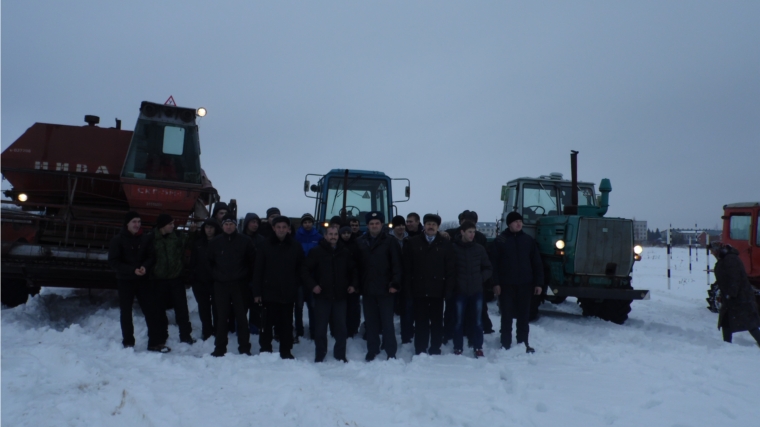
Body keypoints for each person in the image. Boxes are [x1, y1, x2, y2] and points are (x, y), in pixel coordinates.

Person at [108, 211, 168, 352]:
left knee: (151, 311)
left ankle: (154, 343)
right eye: (134, 222)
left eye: (139, 222)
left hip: (143, 280)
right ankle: (128, 342)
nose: (137, 224)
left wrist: (144, 267)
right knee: (126, 312)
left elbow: (151, 257)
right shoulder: (117, 240)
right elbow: (113, 262)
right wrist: (131, 270)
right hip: (125, 281)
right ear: (127, 223)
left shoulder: (145, 239)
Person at [252, 216, 306, 359]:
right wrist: (257, 292)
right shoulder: (264, 245)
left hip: (287, 293)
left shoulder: (295, 246)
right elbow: (258, 270)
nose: (281, 230)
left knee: (286, 325)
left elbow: (301, 269)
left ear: (288, 229)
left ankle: (286, 351)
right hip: (268, 292)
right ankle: (265, 350)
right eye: (278, 227)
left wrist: (295, 284)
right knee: (266, 324)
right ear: (273, 228)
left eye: (284, 227)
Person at [403, 213, 456, 355]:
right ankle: (420, 348)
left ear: (438, 227)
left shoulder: (445, 244)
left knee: (437, 322)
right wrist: (408, 288)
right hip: (418, 289)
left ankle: (435, 347)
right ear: (424, 226)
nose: (431, 227)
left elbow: (450, 270)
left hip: (437, 290)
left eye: (433, 224)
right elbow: (407, 269)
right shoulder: (413, 243)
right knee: (420, 321)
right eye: (428, 224)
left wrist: (448, 290)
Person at [491, 212, 543, 353]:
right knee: (507, 315)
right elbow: (493, 265)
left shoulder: (528, 241)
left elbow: (537, 263)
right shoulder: (500, 241)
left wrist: (538, 283)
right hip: (506, 285)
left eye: (520, 221)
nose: (519, 224)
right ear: (509, 224)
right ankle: (505, 344)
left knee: (523, 316)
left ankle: (523, 343)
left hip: (525, 285)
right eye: (515, 221)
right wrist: (495, 283)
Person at [304, 225, 358, 362]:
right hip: (322, 296)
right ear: (325, 236)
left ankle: (340, 354)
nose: (333, 237)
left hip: (340, 296)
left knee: (341, 328)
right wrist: (313, 286)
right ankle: (320, 354)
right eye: (330, 234)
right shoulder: (316, 252)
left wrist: (353, 285)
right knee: (321, 328)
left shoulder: (344, 252)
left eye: (335, 234)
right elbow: (304, 272)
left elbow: (354, 270)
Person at [207, 213, 257, 357]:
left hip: (240, 285)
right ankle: (220, 348)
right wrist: (217, 276)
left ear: (236, 225)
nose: (228, 227)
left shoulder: (245, 241)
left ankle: (245, 348)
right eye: (226, 224)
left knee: (241, 318)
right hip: (221, 285)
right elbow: (209, 262)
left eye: (231, 224)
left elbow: (252, 262)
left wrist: (246, 278)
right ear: (222, 226)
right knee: (222, 318)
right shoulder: (215, 242)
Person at [356, 211, 403, 361]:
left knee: (387, 322)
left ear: (382, 225)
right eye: (371, 223)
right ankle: (373, 349)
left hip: (386, 289)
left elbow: (397, 265)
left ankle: (391, 351)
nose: (374, 226)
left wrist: (395, 283)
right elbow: (357, 267)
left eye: (377, 223)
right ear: (367, 225)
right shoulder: (361, 242)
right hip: (368, 288)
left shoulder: (390, 242)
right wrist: (357, 285)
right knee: (370, 322)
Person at [143, 214, 195, 345]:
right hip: (158, 281)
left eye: (173, 223)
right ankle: (162, 336)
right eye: (170, 224)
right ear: (162, 226)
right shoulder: (151, 238)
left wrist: (194, 233)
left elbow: (192, 244)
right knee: (159, 311)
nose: (173, 226)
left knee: (182, 310)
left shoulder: (178, 236)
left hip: (176, 279)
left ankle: (185, 336)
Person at [451, 221, 493, 357]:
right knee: (458, 321)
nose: (472, 234)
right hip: (460, 291)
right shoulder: (453, 248)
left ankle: (478, 346)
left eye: (474, 232)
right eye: (469, 231)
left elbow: (488, 267)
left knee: (478, 321)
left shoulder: (479, 249)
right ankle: (458, 347)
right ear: (462, 232)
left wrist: (481, 278)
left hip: (476, 291)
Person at [711, 242, 760, 347]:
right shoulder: (725, 258)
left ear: (717, 250)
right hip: (733, 298)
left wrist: (730, 294)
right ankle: (727, 345)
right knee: (726, 321)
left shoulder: (730, 260)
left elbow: (734, 278)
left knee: (750, 323)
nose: (712, 253)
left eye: (712, 251)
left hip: (740, 298)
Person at [190, 218, 222, 341]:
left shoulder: (220, 242)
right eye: (207, 227)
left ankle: (218, 330)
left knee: (217, 308)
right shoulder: (198, 243)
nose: (209, 230)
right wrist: (193, 276)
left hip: (216, 280)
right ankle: (207, 331)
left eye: (211, 227)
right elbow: (193, 261)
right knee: (203, 308)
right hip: (200, 280)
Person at [294, 213, 323, 340]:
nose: (307, 224)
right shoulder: (296, 237)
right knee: (299, 305)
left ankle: (313, 331)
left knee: (312, 305)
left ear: (313, 223)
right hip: (299, 275)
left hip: (313, 276)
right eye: (305, 222)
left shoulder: (318, 237)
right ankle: (299, 330)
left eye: (309, 222)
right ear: (302, 224)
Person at [390, 215, 413, 344]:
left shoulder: (409, 240)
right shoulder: (388, 240)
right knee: (389, 311)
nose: (401, 227)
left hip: (406, 280)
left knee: (407, 310)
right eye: (398, 225)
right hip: (392, 280)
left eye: (402, 225)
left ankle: (407, 336)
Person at [339, 224, 363, 337]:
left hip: (353, 281)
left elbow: (358, 265)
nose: (346, 235)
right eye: (344, 233)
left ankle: (353, 329)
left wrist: (356, 284)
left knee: (353, 308)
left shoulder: (356, 245)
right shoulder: (337, 246)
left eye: (348, 233)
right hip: (340, 281)